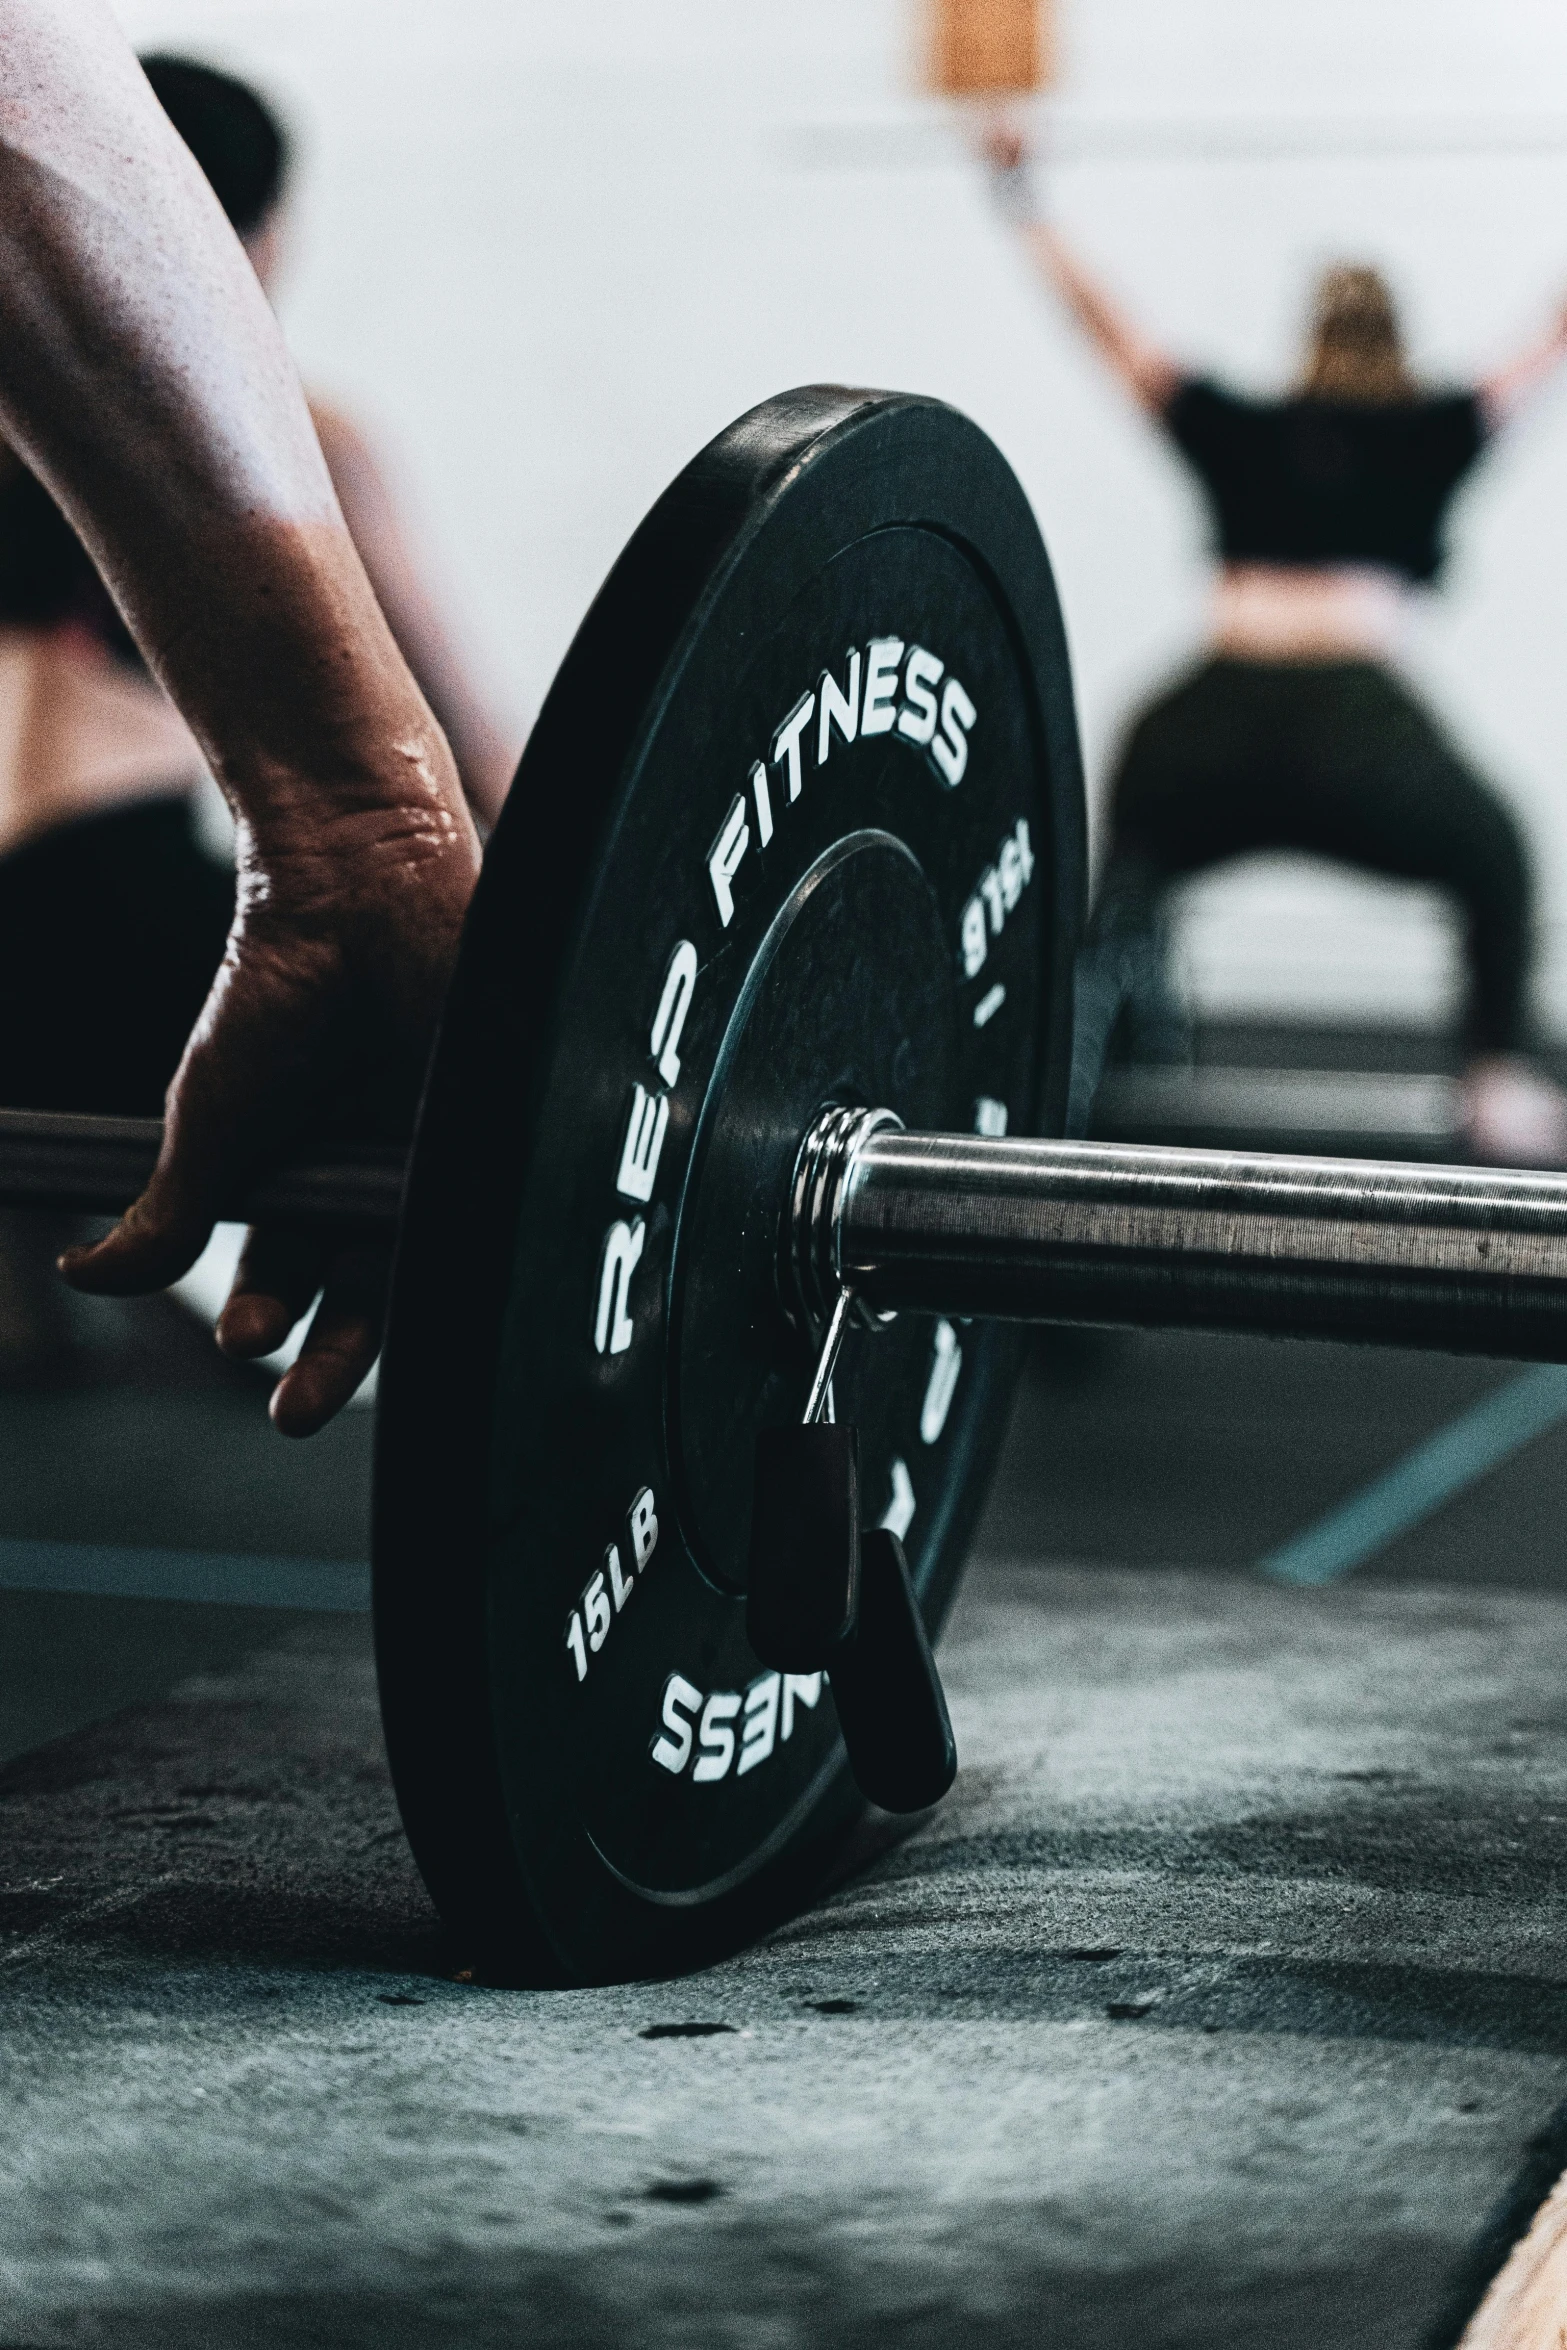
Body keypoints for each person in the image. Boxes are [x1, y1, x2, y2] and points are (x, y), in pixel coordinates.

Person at [0, 0, 484, 1434]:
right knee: (412, 1064)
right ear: (245, 237)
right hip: (142, 903)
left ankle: (53, 1287)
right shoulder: (305, 429)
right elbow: (466, 735)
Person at [983, 126, 1567, 1164]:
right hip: (1356, 724)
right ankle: (1493, 1084)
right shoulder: (1432, 430)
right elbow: (1552, 332)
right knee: (1496, 855)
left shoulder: (1240, 429)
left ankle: (1063, 1069)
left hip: (1203, 724)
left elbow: (1103, 323)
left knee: (1125, 875)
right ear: (1398, 343)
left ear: (1310, 342)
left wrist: (1021, 193)